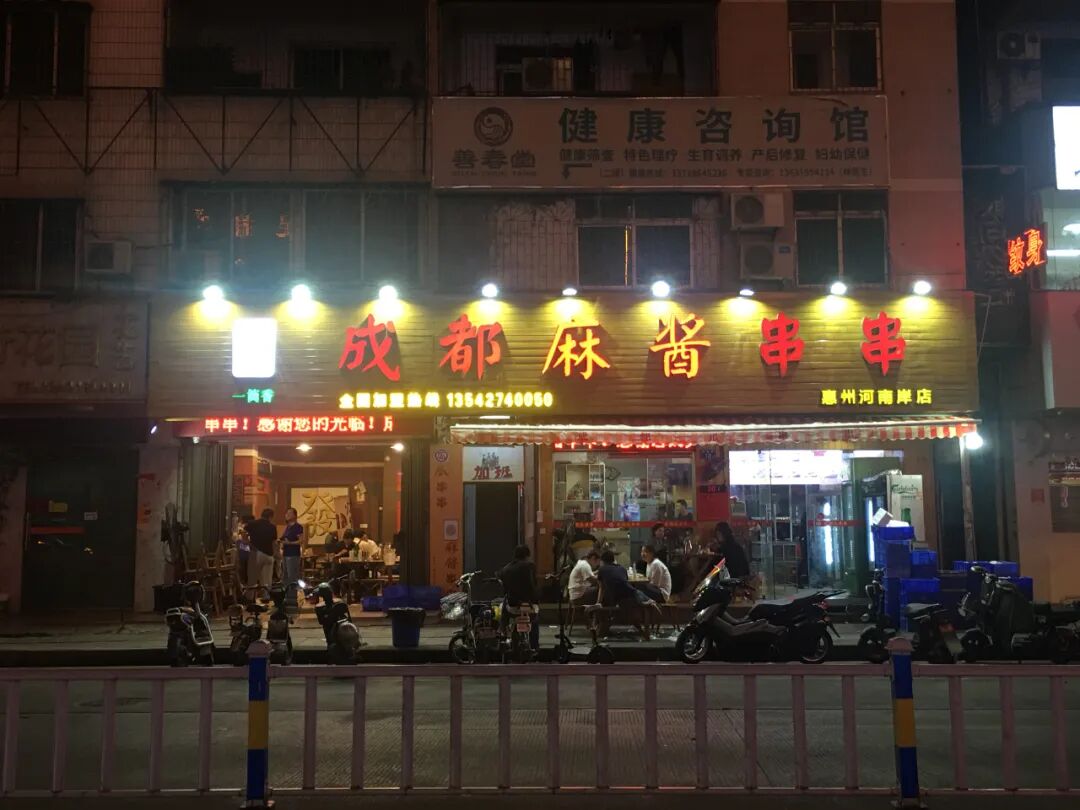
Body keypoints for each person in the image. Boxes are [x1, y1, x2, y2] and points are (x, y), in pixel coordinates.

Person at [498, 545, 540, 651]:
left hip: (512, 606)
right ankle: (535, 645)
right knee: (534, 620)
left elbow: (504, 589)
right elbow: (533, 585)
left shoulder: (506, 569)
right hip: (529, 605)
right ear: (527, 555)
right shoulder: (530, 566)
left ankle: (503, 630)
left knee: (504, 602)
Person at [245, 508, 277, 593]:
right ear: (270, 517)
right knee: (267, 581)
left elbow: (243, 532)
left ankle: (250, 597)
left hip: (255, 553)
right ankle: (266, 596)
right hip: (268, 555)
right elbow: (274, 543)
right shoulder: (272, 527)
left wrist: (248, 543)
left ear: (261, 515)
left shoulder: (252, 523)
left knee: (252, 579)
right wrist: (275, 554)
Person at [280, 508, 304, 604]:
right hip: (285, 554)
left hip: (293, 554)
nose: (287, 515)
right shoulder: (287, 527)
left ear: (295, 515)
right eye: (286, 513)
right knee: (285, 576)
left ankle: (292, 598)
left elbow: (301, 541)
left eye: (289, 513)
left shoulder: (298, 527)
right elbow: (283, 539)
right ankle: (286, 597)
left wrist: (289, 543)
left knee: (292, 576)